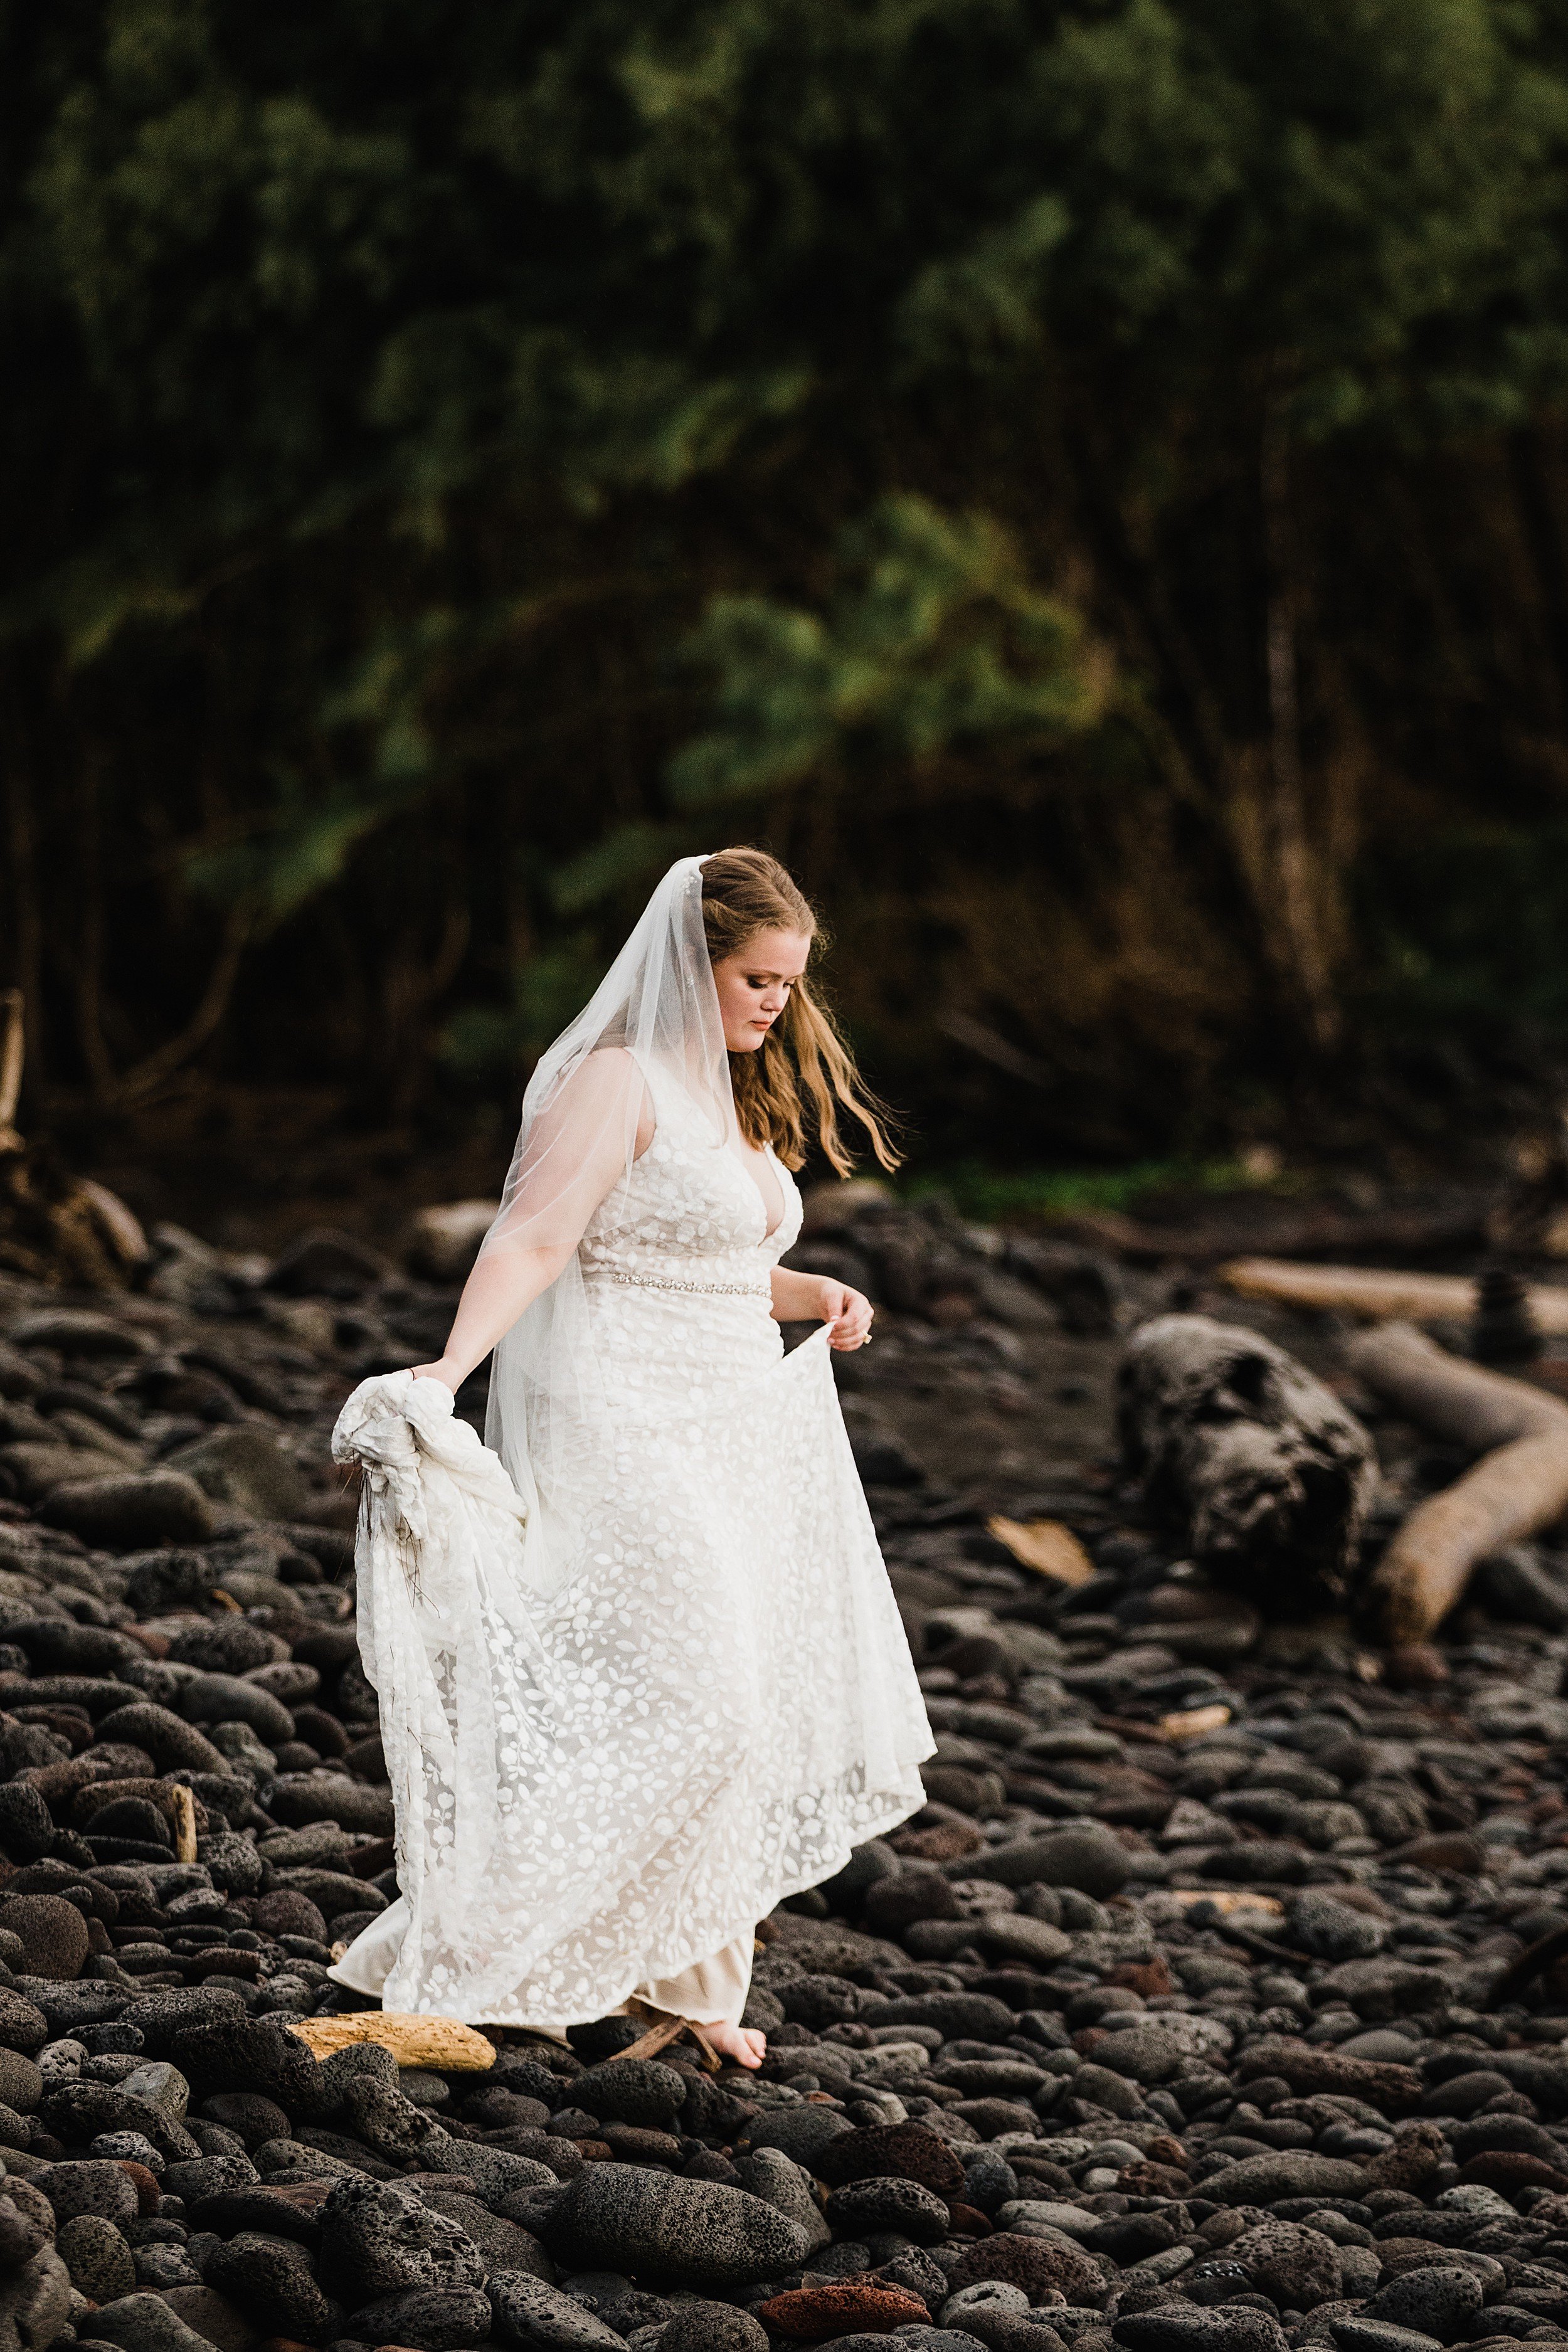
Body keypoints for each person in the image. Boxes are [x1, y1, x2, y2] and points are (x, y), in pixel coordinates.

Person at [327, 849, 934, 2065]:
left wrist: (804, 1287)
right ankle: (471, 1962)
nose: (777, 1003)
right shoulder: (613, 1080)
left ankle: (687, 1985)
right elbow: (540, 1237)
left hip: (727, 1417)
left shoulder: (721, 1093)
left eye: (789, 983)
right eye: (755, 978)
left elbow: (688, 1258)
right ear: (686, 965)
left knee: (745, 1696)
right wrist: (445, 1374)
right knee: (700, 1688)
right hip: (617, 1417)